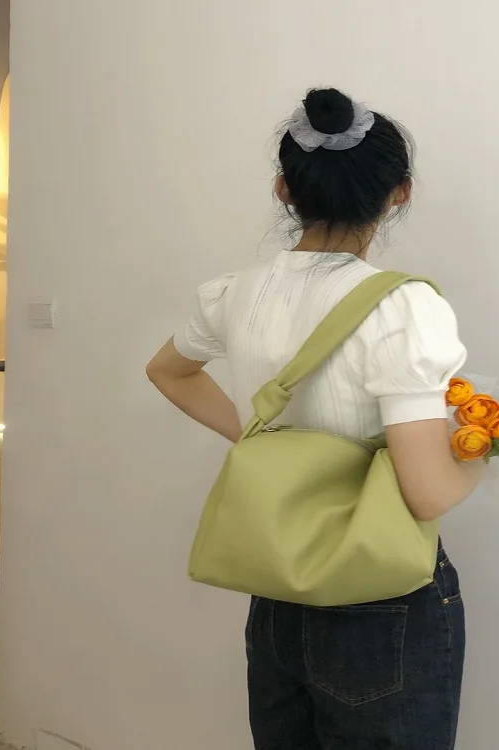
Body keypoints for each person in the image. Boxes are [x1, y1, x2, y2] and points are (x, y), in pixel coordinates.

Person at [147, 88, 480, 750]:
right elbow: (426, 493)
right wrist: (483, 452)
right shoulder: (402, 309)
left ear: (284, 188)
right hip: (380, 602)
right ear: (399, 194)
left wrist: (260, 438)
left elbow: (168, 371)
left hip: (278, 582)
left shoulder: (234, 294)